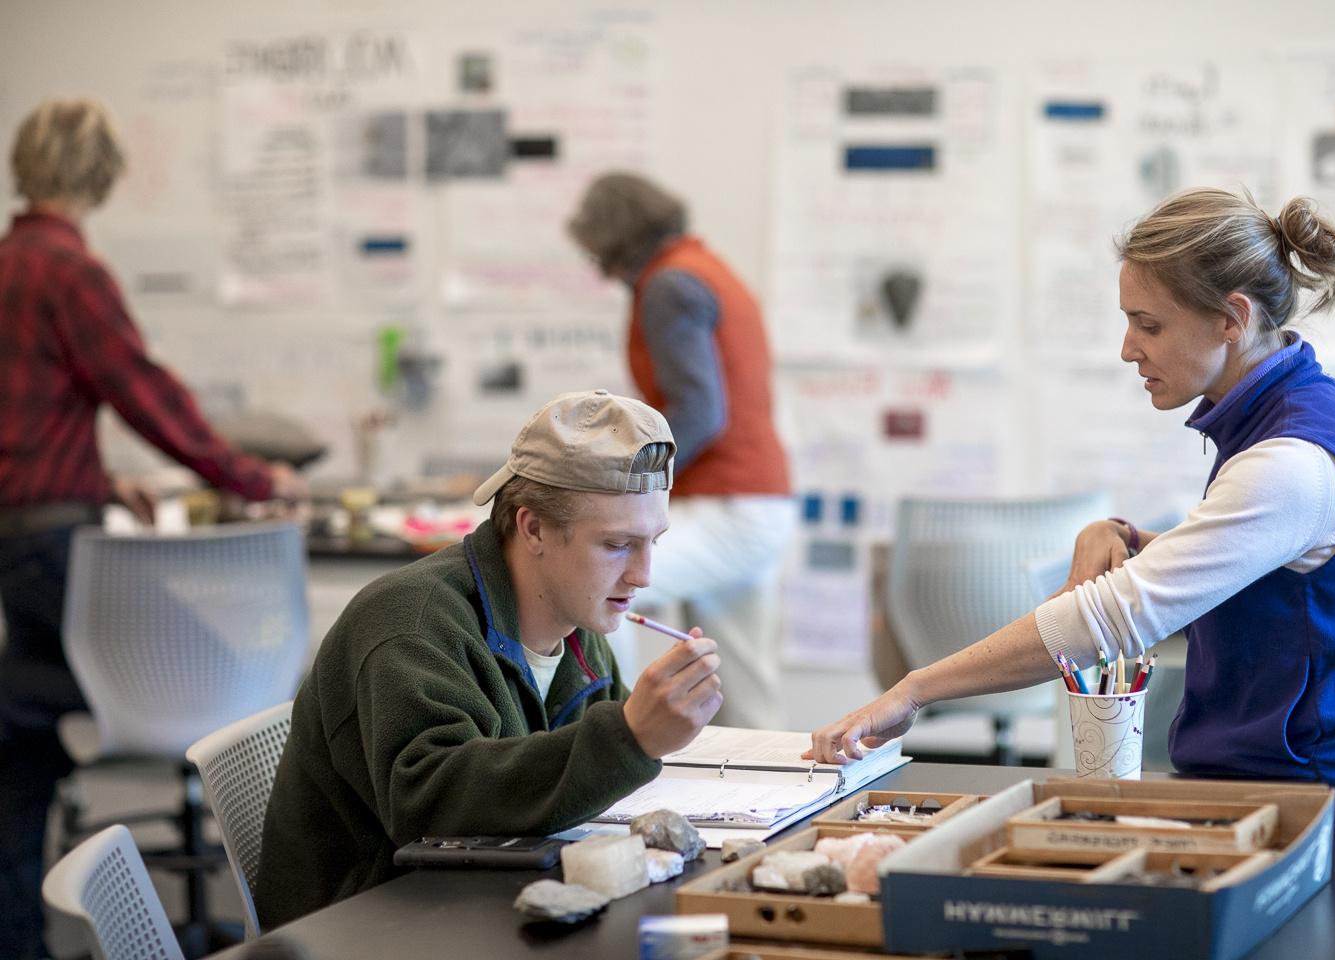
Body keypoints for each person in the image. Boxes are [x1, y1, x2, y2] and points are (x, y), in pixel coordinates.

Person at [810, 187, 1335, 782]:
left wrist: (916, 690)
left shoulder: (1289, 463)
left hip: (1329, 799)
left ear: (1232, 318)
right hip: (1292, 781)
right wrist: (1129, 539)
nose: (1129, 349)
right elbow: (1264, 571)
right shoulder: (1295, 411)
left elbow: (1104, 622)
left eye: (1149, 325)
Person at [0, 98, 304, 960]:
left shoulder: (7, 264)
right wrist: (254, 478)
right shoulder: (70, 271)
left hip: (18, 542)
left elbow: (23, 429)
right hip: (54, 544)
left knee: (21, 744)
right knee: (235, 666)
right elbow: (146, 394)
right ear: (98, 176)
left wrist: (103, 479)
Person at [255, 390, 724, 927]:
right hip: (366, 928)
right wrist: (630, 737)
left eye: (652, 543)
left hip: (483, 906)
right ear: (533, 528)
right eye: (618, 545)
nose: (643, 575)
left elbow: (579, 786)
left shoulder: (578, 621)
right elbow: (430, 809)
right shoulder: (409, 624)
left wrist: (648, 734)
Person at [568, 172, 793, 729]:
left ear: (612, 240)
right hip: (758, 502)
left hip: (728, 505)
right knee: (744, 696)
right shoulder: (708, 269)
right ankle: (783, 808)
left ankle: (604, 742)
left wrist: (619, 481)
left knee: (594, 584)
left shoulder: (670, 285)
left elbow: (698, 413)